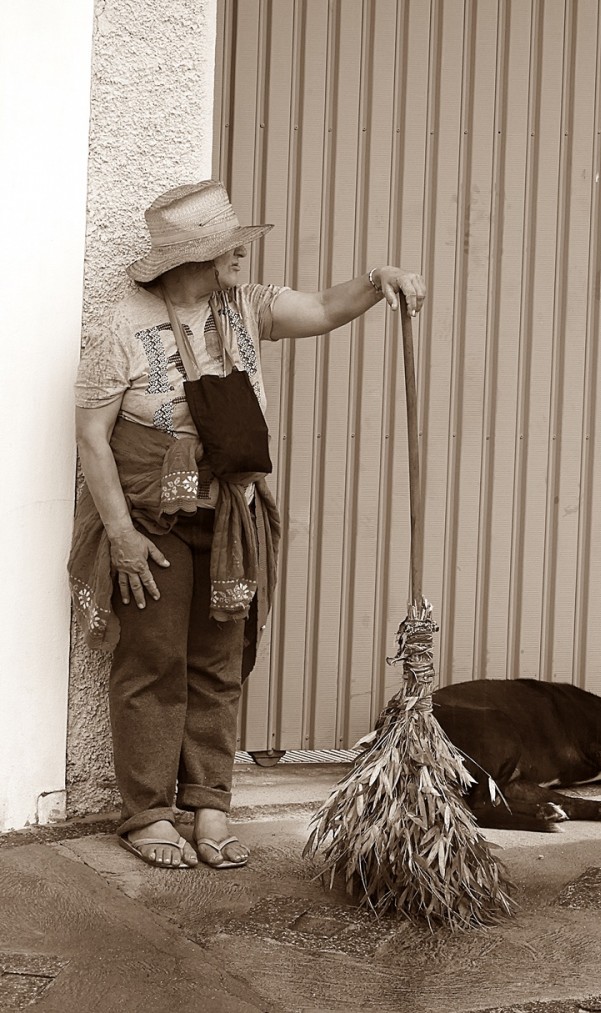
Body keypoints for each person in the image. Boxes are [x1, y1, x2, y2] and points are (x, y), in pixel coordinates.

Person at [69, 180, 425, 870]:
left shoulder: (244, 305)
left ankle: (208, 802)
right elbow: (91, 436)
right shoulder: (121, 327)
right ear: (192, 256)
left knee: (218, 660)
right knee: (152, 660)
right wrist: (120, 534)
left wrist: (378, 281)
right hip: (152, 522)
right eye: (227, 245)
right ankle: (148, 812)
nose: (240, 253)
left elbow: (322, 307)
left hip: (232, 517)